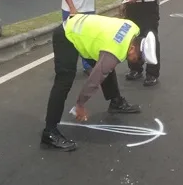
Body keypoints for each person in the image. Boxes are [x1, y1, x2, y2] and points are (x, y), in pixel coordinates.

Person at [41, 13, 157, 151]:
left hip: (86, 30)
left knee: (107, 66)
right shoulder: (114, 50)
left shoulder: (133, 28)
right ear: (132, 48)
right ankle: (50, 132)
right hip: (68, 34)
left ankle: (116, 102)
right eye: (139, 59)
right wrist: (80, 104)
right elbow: (94, 80)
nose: (138, 62)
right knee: (64, 80)